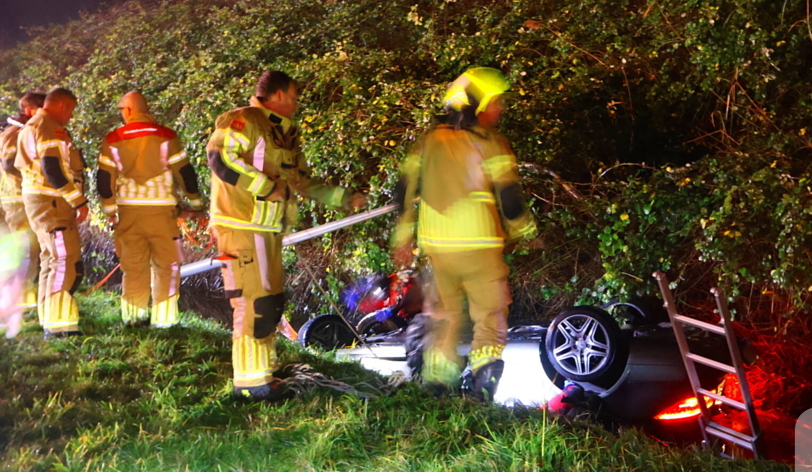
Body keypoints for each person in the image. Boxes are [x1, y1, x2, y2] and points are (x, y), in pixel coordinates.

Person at [206, 70, 365, 401]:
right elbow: (219, 158)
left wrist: (345, 198)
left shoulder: (286, 133)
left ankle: (264, 373)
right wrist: (265, 187)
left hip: (270, 230)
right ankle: (250, 385)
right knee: (255, 303)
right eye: (292, 96)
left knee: (272, 302)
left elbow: (301, 182)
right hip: (241, 227)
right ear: (275, 95)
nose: (296, 103)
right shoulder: (243, 120)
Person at [392, 67, 537, 402]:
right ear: (478, 104)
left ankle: (438, 387)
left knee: (444, 316)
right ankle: (482, 383)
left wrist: (402, 240)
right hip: (480, 246)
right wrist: (526, 230)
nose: (499, 109)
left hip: (439, 249)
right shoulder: (492, 143)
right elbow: (511, 198)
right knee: (490, 314)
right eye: (496, 102)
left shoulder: (427, 142)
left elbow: (402, 191)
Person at [96, 91, 205, 327]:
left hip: (128, 213)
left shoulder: (113, 139)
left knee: (134, 267)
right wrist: (196, 205)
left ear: (128, 111)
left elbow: (104, 181)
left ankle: (133, 318)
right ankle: (164, 321)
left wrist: (109, 211)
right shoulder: (167, 136)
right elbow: (186, 174)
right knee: (166, 266)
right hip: (162, 213)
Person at [14, 88, 88, 338]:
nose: (70, 117)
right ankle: (58, 326)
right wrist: (78, 201)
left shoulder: (31, 126)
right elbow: (52, 168)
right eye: (71, 111)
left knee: (51, 260)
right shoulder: (49, 127)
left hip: (41, 203)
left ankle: (51, 319)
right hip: (52, 203)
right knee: (65, 261)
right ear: (63, 105)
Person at [0, 91, 45, 312]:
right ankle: (21, 301)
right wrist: (38, 176)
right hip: (17, 199)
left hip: (18, 198)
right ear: (30, 110)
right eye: (41, 108)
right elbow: (9, 163)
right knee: (26, 250)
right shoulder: (15, 132)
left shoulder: (25, 130)